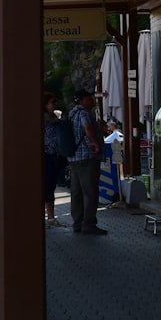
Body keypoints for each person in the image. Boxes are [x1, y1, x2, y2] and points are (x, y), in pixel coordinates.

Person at [68, 89, 107, 235]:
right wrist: (95, 142)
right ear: (83, 100)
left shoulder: (72, 113)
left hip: (74, 158)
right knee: (90, 191)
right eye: (89, 98)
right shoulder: (84, 113)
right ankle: (89, 223)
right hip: (86, 157)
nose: (92, 100)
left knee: (76, 192)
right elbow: (87, 127)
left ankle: (77, 222)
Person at [42, 93, 63, 227]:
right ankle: (49, 216)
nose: (55, 104)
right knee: (47, 186)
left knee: (51, 186)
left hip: (55, 155)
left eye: (55, 102)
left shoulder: (54, 117)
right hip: (46, 155)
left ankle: (51, 216)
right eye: (52, 102)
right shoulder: (43, 119)